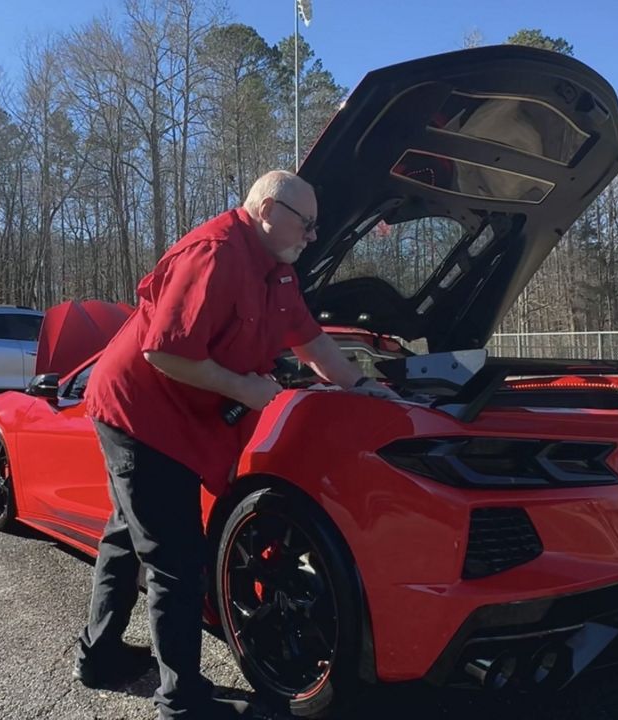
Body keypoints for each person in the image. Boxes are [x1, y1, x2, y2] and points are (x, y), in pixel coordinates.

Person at [73, 170, 397, 719]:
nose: (313, 236)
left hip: (174, 419)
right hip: (139, 415)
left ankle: (99, 658)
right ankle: (182, 702)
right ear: (269, 210)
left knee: (128, 537)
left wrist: (363, 386)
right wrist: (245, 387)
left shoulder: (278, 271)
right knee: (175, 560)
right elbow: (163, 352)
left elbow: (310, 338)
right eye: (307, 223)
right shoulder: (215, 253)